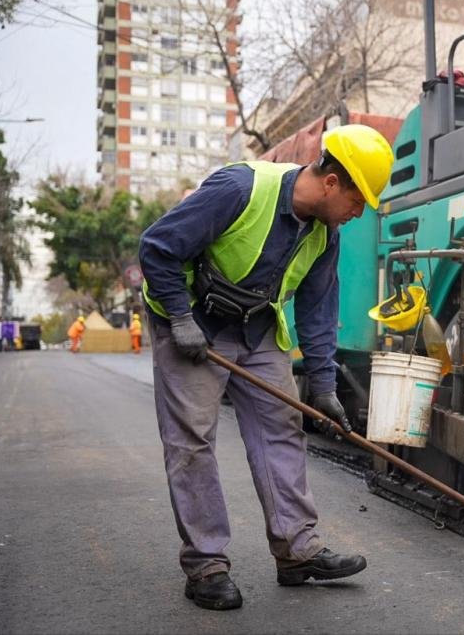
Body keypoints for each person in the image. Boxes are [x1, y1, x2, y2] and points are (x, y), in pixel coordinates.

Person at [139, 124, 394, 611]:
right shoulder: (240, 189)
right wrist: (178, 317)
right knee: (192, 440)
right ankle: (206, 564)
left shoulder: (326, 233)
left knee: (283, 427)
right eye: (359, 199)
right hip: (192, 321)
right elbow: (158, 247)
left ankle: (297, 551)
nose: (359, 212)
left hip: (254, 324)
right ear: (332, 182)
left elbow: (319, 309)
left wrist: (322, 386)